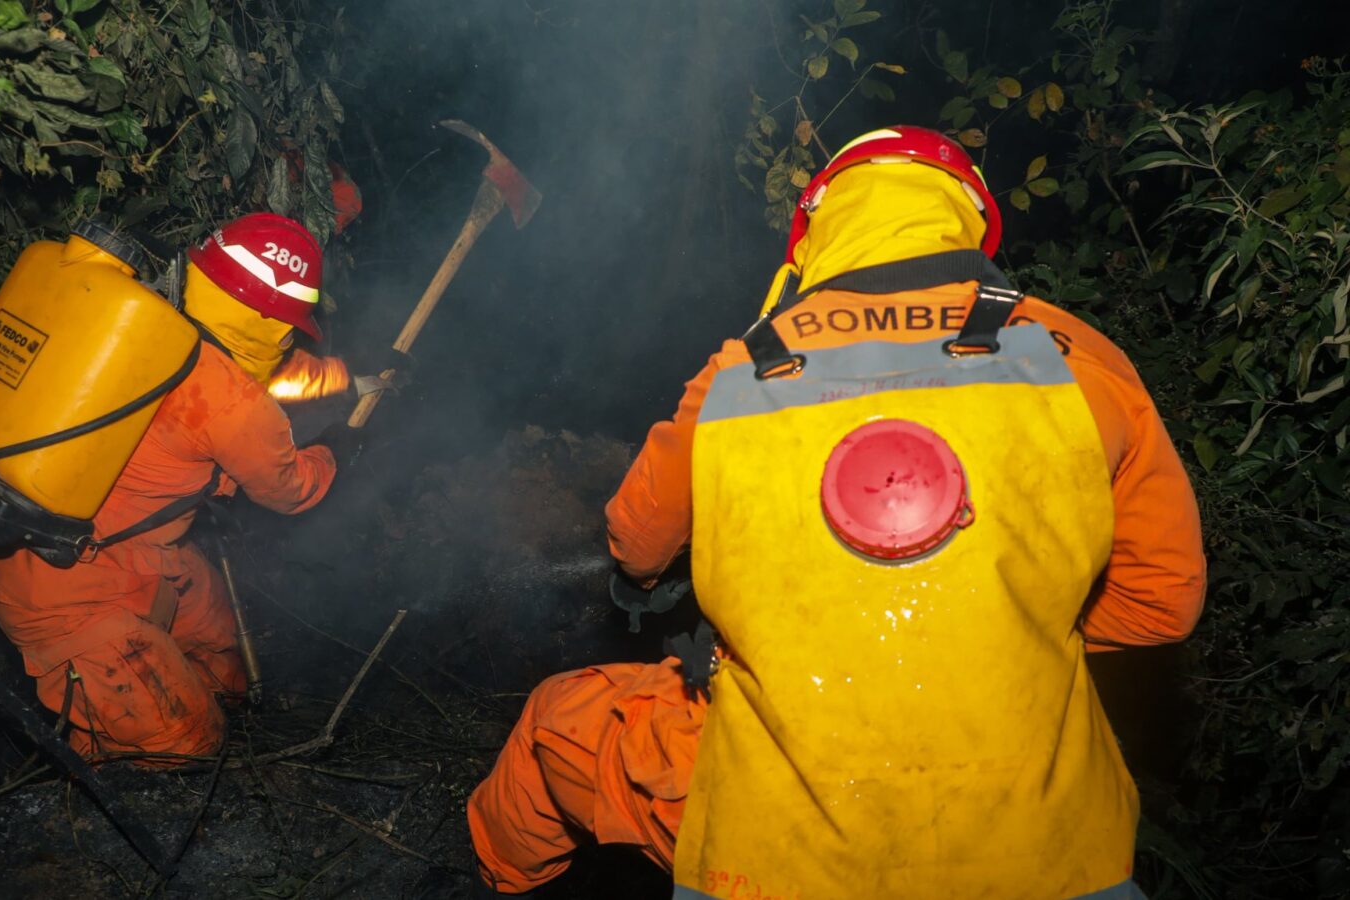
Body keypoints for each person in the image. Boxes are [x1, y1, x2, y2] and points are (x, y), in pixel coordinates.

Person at [467, 126, 1207, 898]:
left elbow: (636, 539)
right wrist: (1000, 624)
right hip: (1054, 854)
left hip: (777, 849)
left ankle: (487, 886)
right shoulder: (1076, 355)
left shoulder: (742, 369)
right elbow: (1162, 603)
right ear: (971, 219)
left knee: (559, 723)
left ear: (813, 232)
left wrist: (648, 586)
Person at [0, 212, 397, 762]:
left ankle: (211, 700)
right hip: (66, 593)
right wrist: (338, 451)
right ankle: (110, 790)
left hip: (125, 551)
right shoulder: (238, 405)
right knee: (183, 744)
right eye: (289, 323)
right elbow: (290, 489)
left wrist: (348, 375)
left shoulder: (154, 326)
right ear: (274, 322)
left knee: (223, 656)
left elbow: (274, 369)